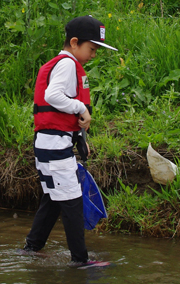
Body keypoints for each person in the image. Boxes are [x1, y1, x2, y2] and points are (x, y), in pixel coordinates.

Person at [23, 15, 116, 266]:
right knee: (72, 201)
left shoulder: (63, 64)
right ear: (74, 43)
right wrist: (81, 108)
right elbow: (53, 95)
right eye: (92, 48)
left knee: (53, 198)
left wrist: (78, 137)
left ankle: (32, 248)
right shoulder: (66, 64)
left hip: (51, 143)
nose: (93, 55)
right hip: (53, 145)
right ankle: (80, 261)